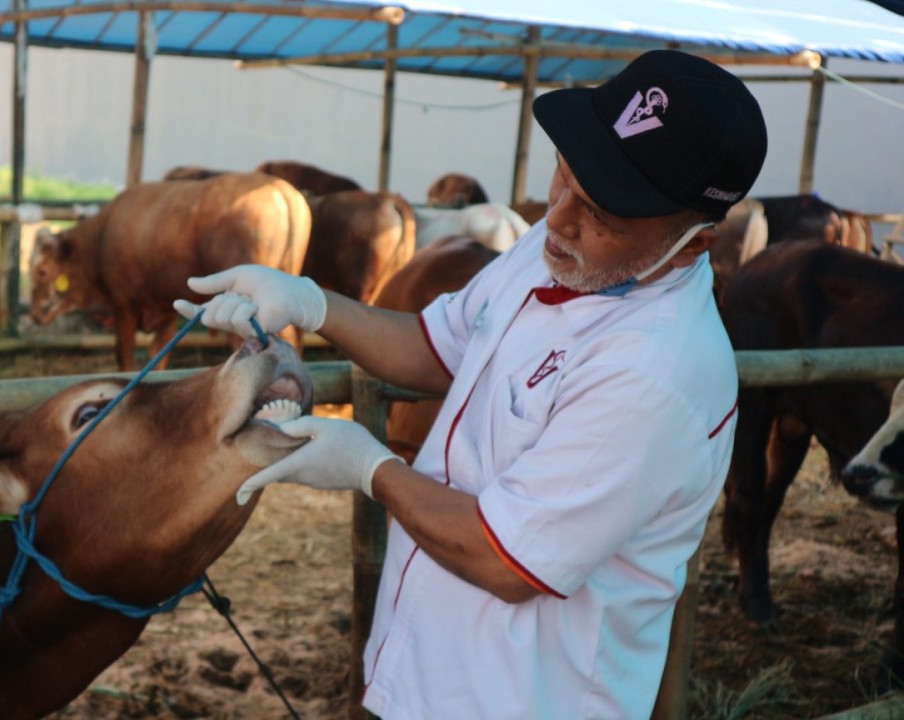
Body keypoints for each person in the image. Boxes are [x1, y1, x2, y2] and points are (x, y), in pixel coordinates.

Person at [175, 49, 767, 718]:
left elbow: (506, 563)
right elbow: (438, 348)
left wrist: (370, 468)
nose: (562, 218)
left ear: (693, 244)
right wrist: (313, 304)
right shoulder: (557, 248)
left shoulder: (654, 373)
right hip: (428, 663)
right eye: (565, 177)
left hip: (520, 694)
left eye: (605, 214)